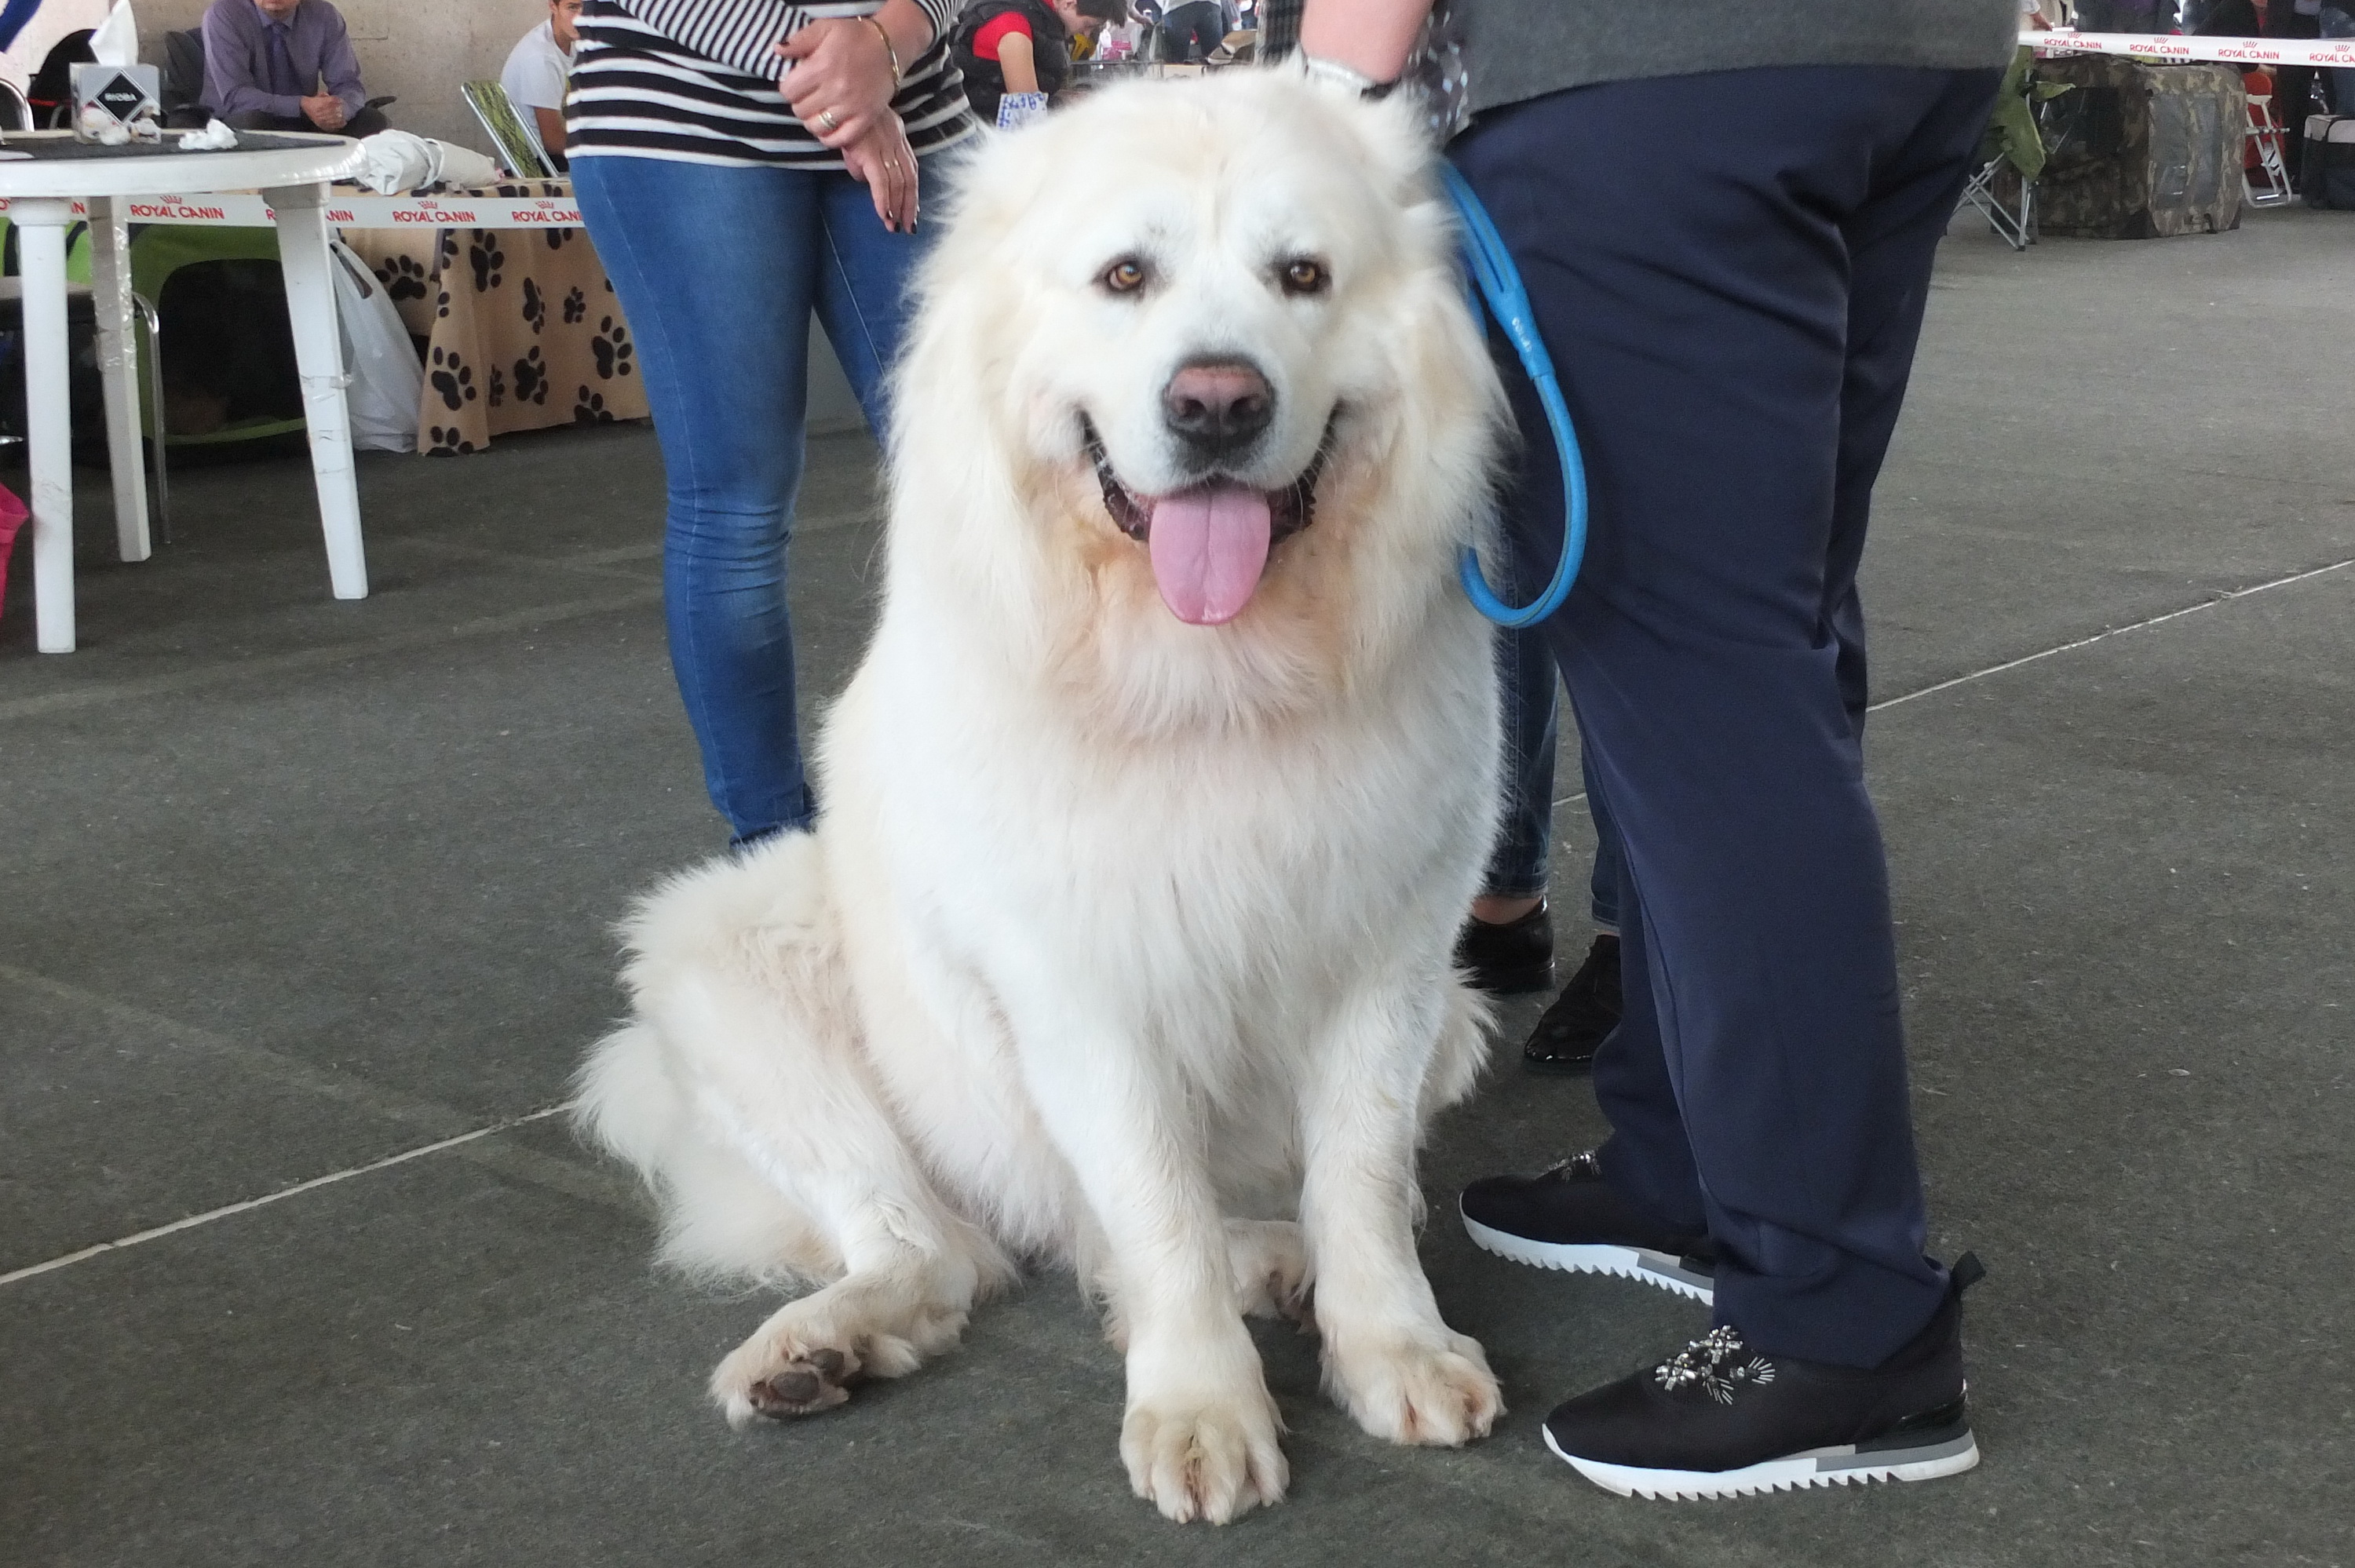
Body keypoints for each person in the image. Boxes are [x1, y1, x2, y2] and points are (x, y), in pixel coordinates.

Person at [1299, 0, 2012, 1500]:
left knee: (1702, 665)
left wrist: (1326, 94)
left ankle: (1841, 1315)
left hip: (1637, 77)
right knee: (1775, 614)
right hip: (1910, 54)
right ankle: (1688, 1156)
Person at [568, 0, 973, 850]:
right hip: (685, 111)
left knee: (995, 486)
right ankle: (776, 850)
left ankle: (1013, 818)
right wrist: (837, 85)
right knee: (738, 506)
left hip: (911, 102)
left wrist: (890, 45)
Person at [199, 0, 387, 137]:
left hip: (304, 119)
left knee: (370, 120)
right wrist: (302, 104)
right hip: (237, 120)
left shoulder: (325, 15)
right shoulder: (224, 14)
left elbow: (349, 84)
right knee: (252, 122)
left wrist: (338, 110)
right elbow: (235, 97)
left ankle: (337, 179)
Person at [952, 0, 1129, 123]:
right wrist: (1070, 104)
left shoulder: (1042, 20)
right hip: (982, 135)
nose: (1087, 34)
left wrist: (1070, 98)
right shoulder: (1013, 28)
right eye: (1088, 25)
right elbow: (1026, 110)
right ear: (1069, 3)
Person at [502, 0, 585, 170]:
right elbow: (552, 142)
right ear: (553, 6)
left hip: (554, 158)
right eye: (572, 7)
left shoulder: (571, 45)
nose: (581, 17)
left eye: (587, 7)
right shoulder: (541, 57)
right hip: (540, 163)